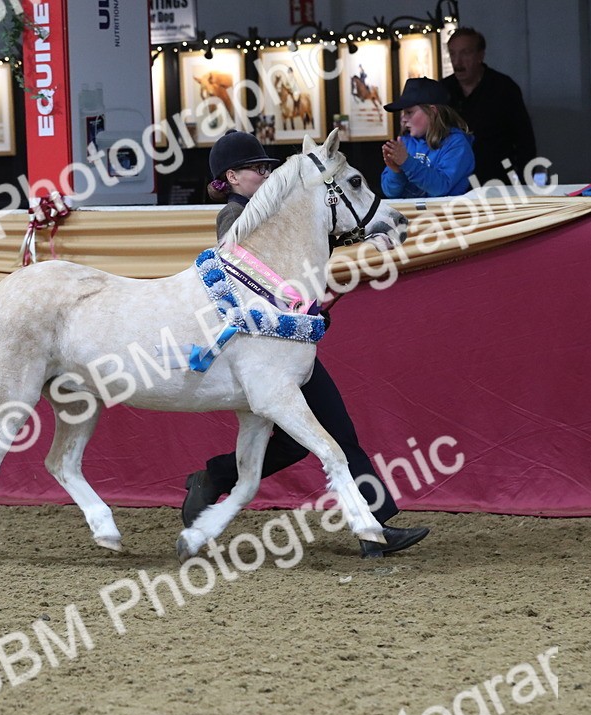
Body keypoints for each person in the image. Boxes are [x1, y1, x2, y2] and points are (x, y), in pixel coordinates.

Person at [183, 129, 430, 556]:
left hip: (288, 344)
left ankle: (372, 525)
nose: (265, 173)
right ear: (233, 177)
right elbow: (255, 284)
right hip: (261, 349)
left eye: (266, 167)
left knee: (330, 429)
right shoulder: (234, 219)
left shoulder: (280, 212)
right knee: (321, 433)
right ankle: (220, 477)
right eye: (255, 168)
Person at [442, 27, 537, 186]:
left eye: (465, 53)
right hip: (454, 184)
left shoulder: (503, 88)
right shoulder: (443, 90)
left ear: (480, 55)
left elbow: (524, 141)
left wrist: (524, 184)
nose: (457, 62)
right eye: (452, 53)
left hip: (497, 181)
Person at [380, 77, 476, 198]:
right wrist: (396, 172)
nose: (403, 119)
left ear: (432, 112)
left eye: (409, 112)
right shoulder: (405, 142)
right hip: (410, 215)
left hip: (444, 215)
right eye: (403, 113)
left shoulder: (456, 144)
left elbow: (440, 188)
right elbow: (389, 192)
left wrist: (406, 162)